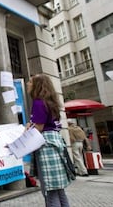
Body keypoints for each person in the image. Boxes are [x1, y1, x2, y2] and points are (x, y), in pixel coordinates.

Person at [26, 74, 72, 207]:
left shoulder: (38, 102)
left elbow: (39, 128)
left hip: (46, 148)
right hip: (55, 145)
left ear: (37, 85)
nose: (28, 84)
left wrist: (28, 130)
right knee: (59, 190)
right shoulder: (51, 103)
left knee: (50, 191)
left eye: (30, 82)